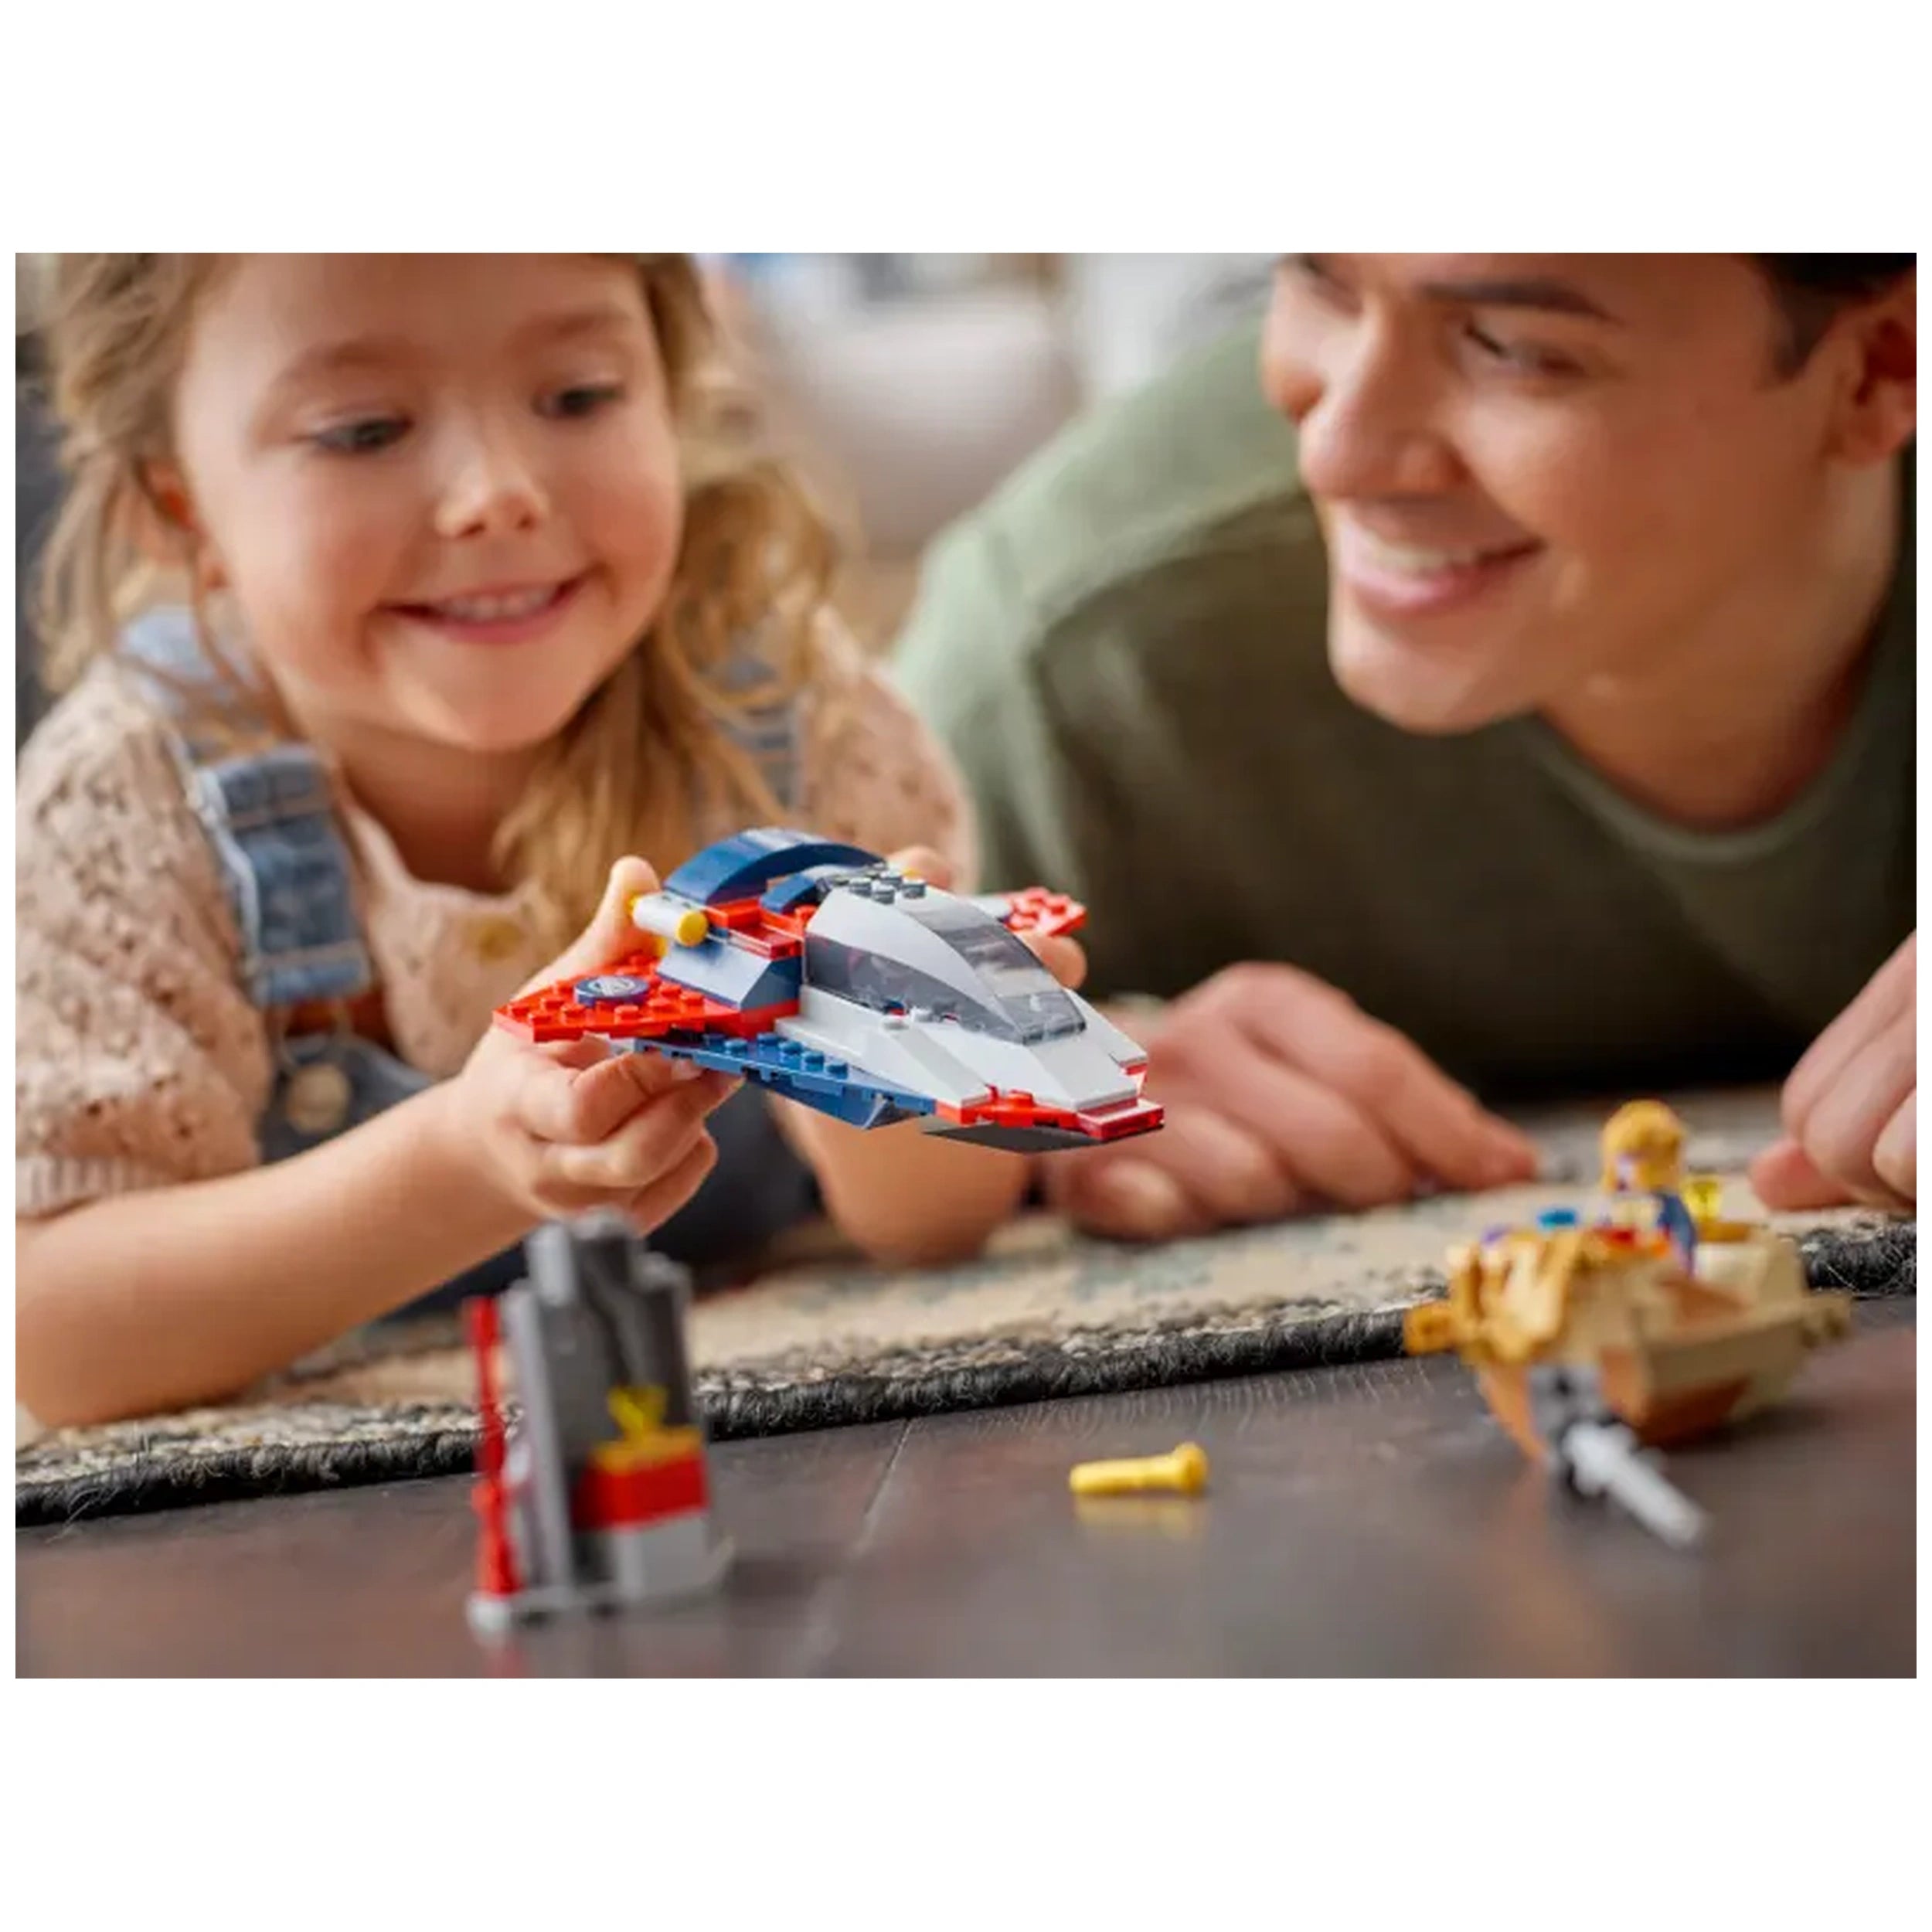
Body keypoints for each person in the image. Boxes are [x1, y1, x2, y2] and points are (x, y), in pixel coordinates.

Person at [15, 253, 1077, 1430]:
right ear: (179, 507)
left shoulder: (785, 712)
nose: (497, 492)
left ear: (671, 395)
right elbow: (59, 1339)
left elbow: (943, 1223)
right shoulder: (123, 808)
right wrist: (463, 1167)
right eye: (365, 430)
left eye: (577, 397)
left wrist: (911, 1072)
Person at [895, 254, 1916, 1241]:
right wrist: (1040, 1073)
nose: (1335, 453)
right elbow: (785, 1014)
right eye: (1313, 279)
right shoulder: (1071, 653)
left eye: (1510, 347)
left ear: (1882, 365)